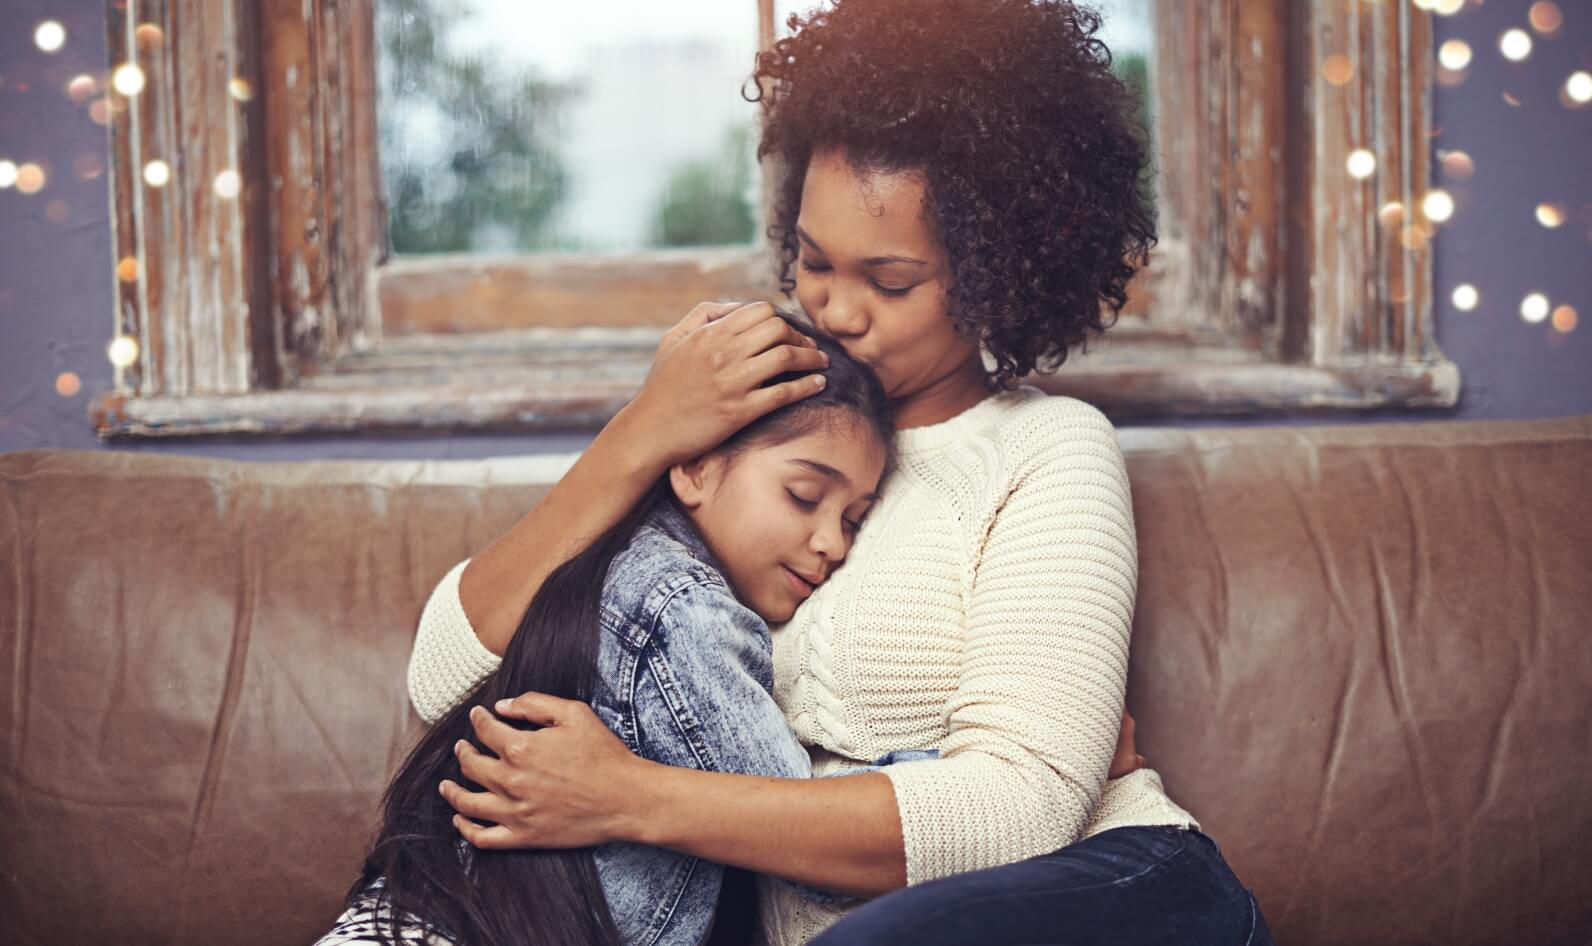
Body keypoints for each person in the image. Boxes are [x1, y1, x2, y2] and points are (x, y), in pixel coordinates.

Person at [405, 1, 1276, 944]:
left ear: (1002, 273)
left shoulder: (1049, 447)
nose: (836, 309)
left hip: (1115, 894)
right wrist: (643, 433)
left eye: (890, 282)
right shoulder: (736, 433)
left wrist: (632, 799)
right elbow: (442, 677)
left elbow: (1018, 813)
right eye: (814, 262)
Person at [319, 318, 898, 946]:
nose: (831, 542)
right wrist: (947, 781)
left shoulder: (614, 568)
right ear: (696, 468)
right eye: (804, 495)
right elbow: (801, 838)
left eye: (855, 520)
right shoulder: (683, 609)